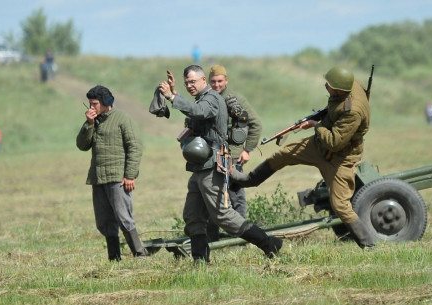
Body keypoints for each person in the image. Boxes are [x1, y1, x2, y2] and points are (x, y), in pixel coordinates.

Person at [231, 66, 375, 249]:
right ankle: (247, 180)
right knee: (283, 154)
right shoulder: (348, 84)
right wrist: (322, 117)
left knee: (340, 205)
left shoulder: (353, 110)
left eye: (329, 85)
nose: (325, 86)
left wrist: (315, 125)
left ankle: (368, 244)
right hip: (320, 144)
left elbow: (334, 142)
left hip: (341, 157)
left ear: (340, 89)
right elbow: (333, 115)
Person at [158, 65, 282, 263]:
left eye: (193, 82)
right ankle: (200, 261)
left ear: (203, 80)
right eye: (186, 83)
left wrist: (173, 98)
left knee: (223, 216)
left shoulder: (212, 99)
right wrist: (175, 94)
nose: (190, 85)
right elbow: (196, 111)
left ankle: (269, 244)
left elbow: (199, 111)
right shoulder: (202, 99)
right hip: (199, 166)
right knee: (192, 216)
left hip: (212, 165)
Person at [76, 85, 147, 261]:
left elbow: (135, 147)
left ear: (106, 103)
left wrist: (130, 175)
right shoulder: (94, 121)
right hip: (98, 177)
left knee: (124, 218)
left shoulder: (122, 118)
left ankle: (140, 255)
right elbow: (82, 145)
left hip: (118, 178)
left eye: (95, 104)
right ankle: (114, 258)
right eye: (90, 104)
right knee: (105, 221)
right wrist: (89, 124)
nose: (91, 108)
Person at [205, 64, 263, 242]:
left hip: (233, 155)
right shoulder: (205, 98)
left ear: (226, 80)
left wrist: (248, 149)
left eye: (220, 81)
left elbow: (256, 124)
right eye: (213, 81)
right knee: (211, 197)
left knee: (236, 196)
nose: (216, 85)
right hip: (210, 156)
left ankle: (242, 237)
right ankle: (211, 239)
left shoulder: (236, 99)